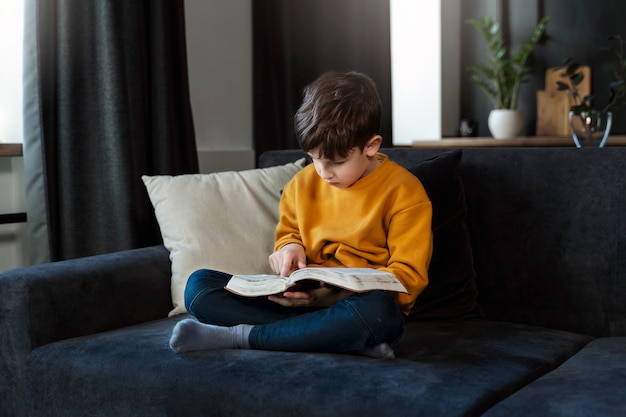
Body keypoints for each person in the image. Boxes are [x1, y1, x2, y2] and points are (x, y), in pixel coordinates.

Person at [169, 71, 433, 359]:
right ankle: (336, 339)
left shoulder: (405, 191)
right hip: (301, 301)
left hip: (355, 305)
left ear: (371, 146)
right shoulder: (301, 183)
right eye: (314, 158)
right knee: (199, 287)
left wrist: (332, 294)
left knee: (378, 313)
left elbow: (407, 279)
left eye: (336, 162)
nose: (322, 172)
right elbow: (289, 234)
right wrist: (289, 248)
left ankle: (241, 336)